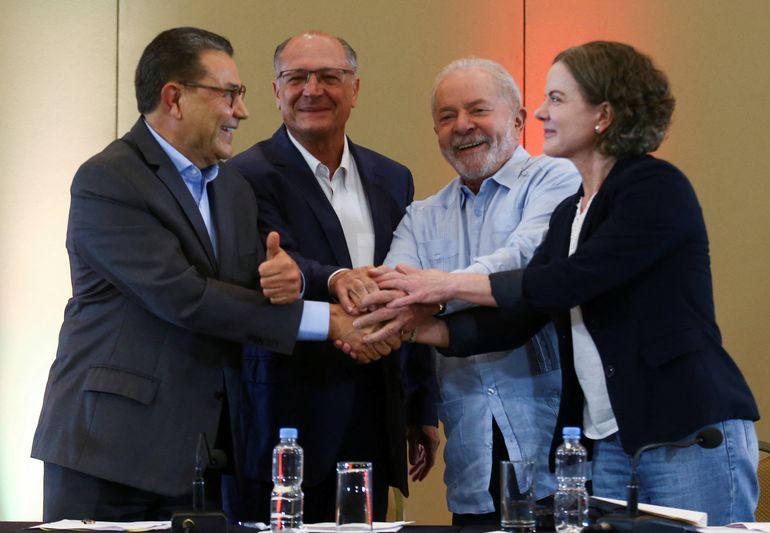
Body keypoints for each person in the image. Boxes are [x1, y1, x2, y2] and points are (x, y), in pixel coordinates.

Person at [354, 41, 760, 525]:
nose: (543, 111)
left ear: (603, 114)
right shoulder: (573, 210)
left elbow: (562, 283)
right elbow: (520, 317)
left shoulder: (654, 187)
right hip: (605, 439)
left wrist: (443, 285)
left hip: (681, 427)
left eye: (558, 99)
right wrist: (411, 328)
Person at [30, 26, 392, 523]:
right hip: (110, 454)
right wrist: (330, 322)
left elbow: (243, 291)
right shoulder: (109, 179)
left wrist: (284, 280)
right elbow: (186, 297)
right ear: (174, 98)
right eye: (229, 94)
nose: (241, 111)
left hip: (204, 458)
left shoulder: (232, 188)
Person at [227, 31, 438, 522]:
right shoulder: (243, 176)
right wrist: (336, 276)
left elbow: (411, 282)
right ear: (276, 91)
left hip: (375, 407)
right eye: (296, 77)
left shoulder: (393, 177)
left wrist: (421, 404)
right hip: (286, 414)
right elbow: (261, 264)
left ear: (356, 89)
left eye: (329, 76)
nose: (312, 89)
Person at [365, 58, 579, 526]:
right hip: (470, 453)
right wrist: (412, 300)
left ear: (519, 119)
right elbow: (392, 288)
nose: (462, 126)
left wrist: (438, 288)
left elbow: (527, 262)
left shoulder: (557, 179)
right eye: (447, 116)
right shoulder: (421, 215)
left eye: (478, 110)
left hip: (558, 449)